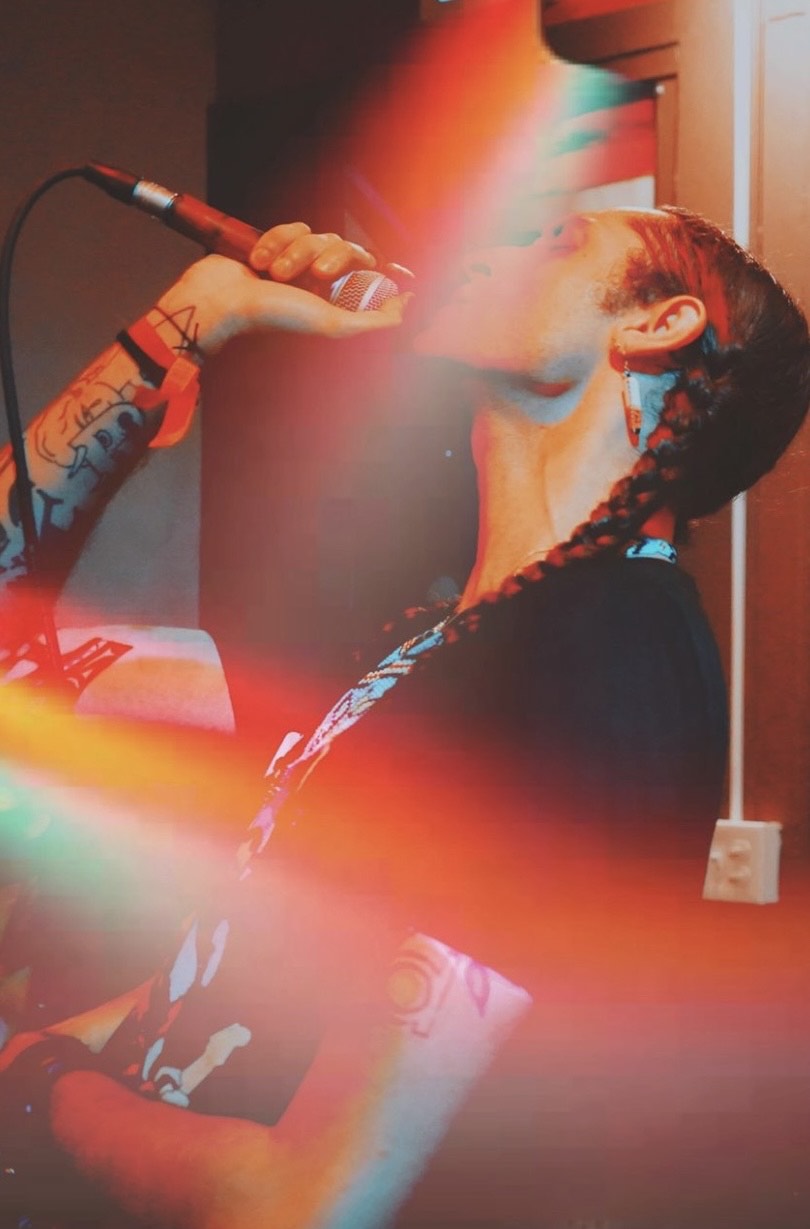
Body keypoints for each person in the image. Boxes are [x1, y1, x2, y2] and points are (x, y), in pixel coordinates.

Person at [1, 205, 809, 1229]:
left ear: (658, 324)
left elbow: (310, 1200)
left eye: (555, 240)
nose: (483, 246)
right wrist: (191, 318)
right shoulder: (429, 637)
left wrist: (44, 1086)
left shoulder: (604, 656)